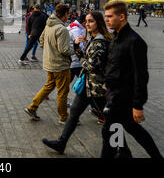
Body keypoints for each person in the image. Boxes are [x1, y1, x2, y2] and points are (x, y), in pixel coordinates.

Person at [41, 11, 114, 154]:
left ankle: (121, 148)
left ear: (99, 23)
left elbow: (91, 66)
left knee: (111, 120)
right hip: (87, 86)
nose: (87, 24)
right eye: (86, 21)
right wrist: (76, 47)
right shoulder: (92, 39)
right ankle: (61, 143)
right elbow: (86, 60)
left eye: (91, 21)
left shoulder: (100, 42)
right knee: (73, 113)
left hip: (98, 88)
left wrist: (80, 59)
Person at [102, 0, 162, 158]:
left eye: (109, 16)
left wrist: (138, 105)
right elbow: (113, 66)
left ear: (121, 17)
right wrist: (106, 84)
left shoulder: (135, 41)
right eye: (105, 16)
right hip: (114, 95)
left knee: (109, 132)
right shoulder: (115, 39)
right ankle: (124, 154)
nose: (106, 19)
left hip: (123, 98)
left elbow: (141, 76)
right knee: (131, 130)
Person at [24, 4, 73, 123]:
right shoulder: (62, 29)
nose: (69, 16)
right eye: (68, 14)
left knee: (49, 86)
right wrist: (75, 50)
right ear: (65, 14)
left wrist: (49, 50)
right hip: (60, 65)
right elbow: (64, 50)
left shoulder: (49, 25)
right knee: (62, 92)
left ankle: (32, 107)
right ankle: (63, 117)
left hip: (49, 63)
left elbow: (41, 40)